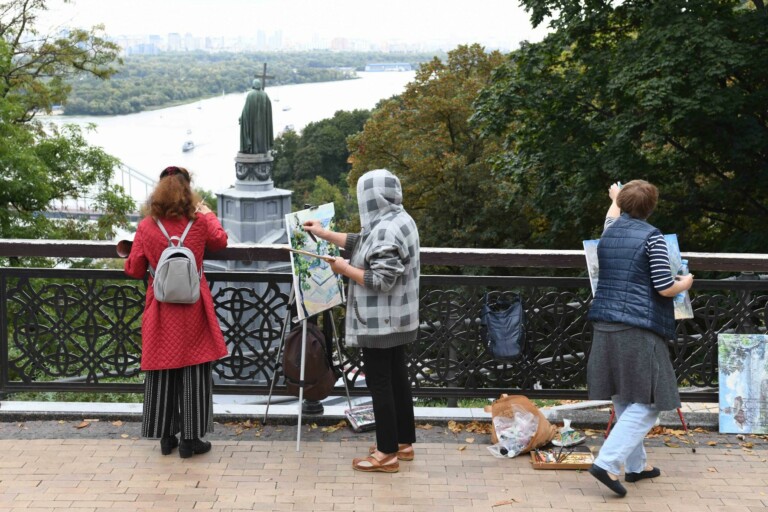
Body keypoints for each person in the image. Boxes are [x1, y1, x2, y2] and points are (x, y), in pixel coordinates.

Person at [302, 169, 420, 473]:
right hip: (398, 319)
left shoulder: (385, 229)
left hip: (380, 320)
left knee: (380, 383)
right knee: (396, 379)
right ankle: (402, 443)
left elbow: (381, 280)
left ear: (371, 196)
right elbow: (365, 243)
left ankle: (386, 454)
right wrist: (326, 234)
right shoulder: (398, 219)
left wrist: (342, 269)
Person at [586, 180, 694, 496]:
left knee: (624, 397)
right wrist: (685, 283)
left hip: (604, 325)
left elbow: (611, 217)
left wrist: (615, 198)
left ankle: (636, 468)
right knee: (650, 403)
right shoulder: (653, 238)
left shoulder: (609, 234)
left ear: (621, 204)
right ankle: (606, 463)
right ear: (651, 208)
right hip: (637, 328)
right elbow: (664, 286)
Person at [123, 166, 229, 458]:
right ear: (188, 192)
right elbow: (220, 241)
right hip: (194, 308)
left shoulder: (147, 226)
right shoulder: (198, 223)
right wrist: (207, 213)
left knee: (162, 371)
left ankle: (166, 437)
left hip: (161, 310)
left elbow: (133, 269)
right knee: (195, 371)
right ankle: (191, 441)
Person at [239, 78, 273, 154]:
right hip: (263, 123)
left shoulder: (250, 95)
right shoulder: (265, 95)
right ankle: (262, 148)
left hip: (253, 122)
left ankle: (252, 149)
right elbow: (269, 108)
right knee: (262, 134)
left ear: (253, 85)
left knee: (253, 134)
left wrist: (242, 117)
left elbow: (246, 110)